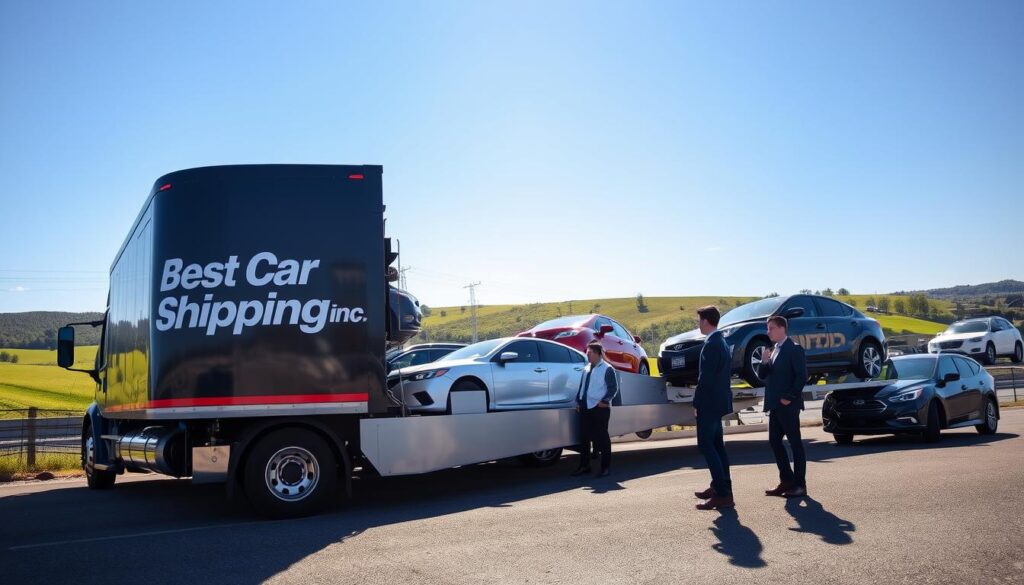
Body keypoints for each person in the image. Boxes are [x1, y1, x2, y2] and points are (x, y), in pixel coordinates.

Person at [758, 315, 809, 498]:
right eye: (768, 328)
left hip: (788, 405)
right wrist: (764, 361)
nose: (768, 331)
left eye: (771, 328)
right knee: (774, 441)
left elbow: (801, 376)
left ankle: (800, 485)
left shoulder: (794, 349)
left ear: (781, 328)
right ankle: (786, 481)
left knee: (795, 444)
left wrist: (789, 397)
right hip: (774, 406)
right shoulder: (773, 350)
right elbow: (762, 376)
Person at [693, 305, 735, 510]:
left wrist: (697, 403)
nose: (698, 324)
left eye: (699, 320)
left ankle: (722, 493)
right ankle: (721, 486)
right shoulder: (721, 341)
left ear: (706, 321)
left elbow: (706, 379)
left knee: (707, 445)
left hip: (709, 403)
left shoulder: (712, 344)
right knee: (717, 446)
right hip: (717, 402)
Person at [571, 342, 618, 478]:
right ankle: (585, 466)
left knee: (602, 438)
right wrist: (579, 401)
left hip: (599, 409)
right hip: (585, 408)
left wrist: (604, 401)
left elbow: (613, 388)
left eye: (589, 352)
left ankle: (605, 467)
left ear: (597, 353)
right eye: (587, 352)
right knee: (584, 438)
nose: (587, 355)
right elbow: (582, 387)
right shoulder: (586, 369)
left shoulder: (607, 369)